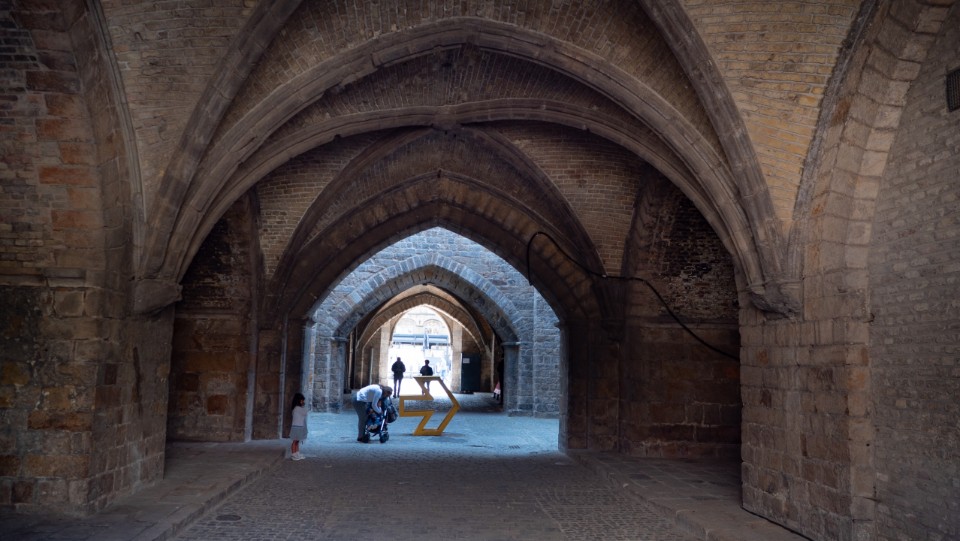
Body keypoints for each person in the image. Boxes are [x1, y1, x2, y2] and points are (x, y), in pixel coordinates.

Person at [289, 392, 307, 460]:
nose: (303, 402)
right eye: (302, 400)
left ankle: (297, 453)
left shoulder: (296, 408)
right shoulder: (297, 408)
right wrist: (303, 406)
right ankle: (293, 454)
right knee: (295, 441)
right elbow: (305, 412)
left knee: (297, 441)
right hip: (297, 427)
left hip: (298, 427)